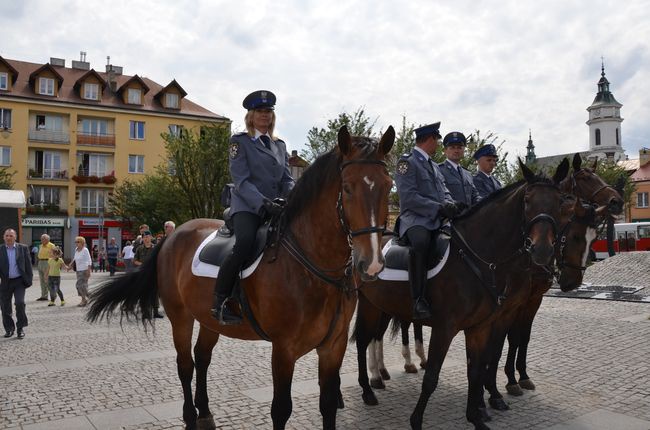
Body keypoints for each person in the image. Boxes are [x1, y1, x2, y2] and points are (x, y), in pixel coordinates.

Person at [211, 89, 295, 325]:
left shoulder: (279, 145)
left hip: (277, 206)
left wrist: (293, 195)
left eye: (268, 111)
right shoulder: (240, 142)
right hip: (248, 207)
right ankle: (220, 300)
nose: (265, 115)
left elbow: (286, 179)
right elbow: (242, 180)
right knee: (245, 243)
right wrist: (263, 203)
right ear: (251, 115)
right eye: (260, 111)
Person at [394, 122, 458, 320]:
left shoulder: (433, 166)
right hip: (414, 220)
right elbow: (408, 197)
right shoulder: (407, 162)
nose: (438, 144)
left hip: (437, 219)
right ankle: (418, 299)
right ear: (430, 139)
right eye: (437, 140)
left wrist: (450, 204)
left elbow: (444, 191)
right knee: (421, 244)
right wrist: (438, 207)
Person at [0, 228, 33, 339]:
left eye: (11, 236)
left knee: (20, 303)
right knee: (5, 307)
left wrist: (29, 280)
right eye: (7, 235)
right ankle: (9, 329)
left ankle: (20, 328)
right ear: (4, 237)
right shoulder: (0, 249)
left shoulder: (23, 248)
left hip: (19, 281)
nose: (8, 238)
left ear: (15, 237)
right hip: (5, 282)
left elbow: (28, 265)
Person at [438, 132, 480, 208]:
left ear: (464, 150)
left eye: (459, 147)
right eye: (452, 147)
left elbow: (475, 196)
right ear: (445, 151)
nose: (456, 151)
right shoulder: (439, 170)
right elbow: (439, 196)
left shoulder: (467, 174)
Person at [134, 231, 163, 318]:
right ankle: (145, 312)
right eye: (144, 237)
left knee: (154, 292)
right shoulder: (139, 248)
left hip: (153, 273)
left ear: (151, 237)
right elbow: (135, 260)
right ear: (142, 238)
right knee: (144, 292)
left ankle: (155, 312)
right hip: (143, 273)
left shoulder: (155, 248)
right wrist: (142, 265)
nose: (146, 239)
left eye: (148, 237)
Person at [70, 236, 92, 307]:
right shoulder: (76, 249)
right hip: (78, 270)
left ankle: (84, 300)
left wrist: (89, 271)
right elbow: (75, 259)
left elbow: (89, 260)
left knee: (80, 285)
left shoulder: (85, 250)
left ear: (82, 242)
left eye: (78, 242)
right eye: (75, 242)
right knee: (83, 286)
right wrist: (70, 265)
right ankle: (89, 296)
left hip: (84, 270)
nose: (76, 243)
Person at [36, 234, 56, 300]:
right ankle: (44, 296)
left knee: (47, 280)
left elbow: (55, 256)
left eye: (43, 239)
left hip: (48, 262)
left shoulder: (52, 245)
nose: (41, 240)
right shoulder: (40, 246)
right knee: (42, 280)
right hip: (40, 262)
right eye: (41, 239)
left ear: (47, 239)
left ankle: (53, 295)